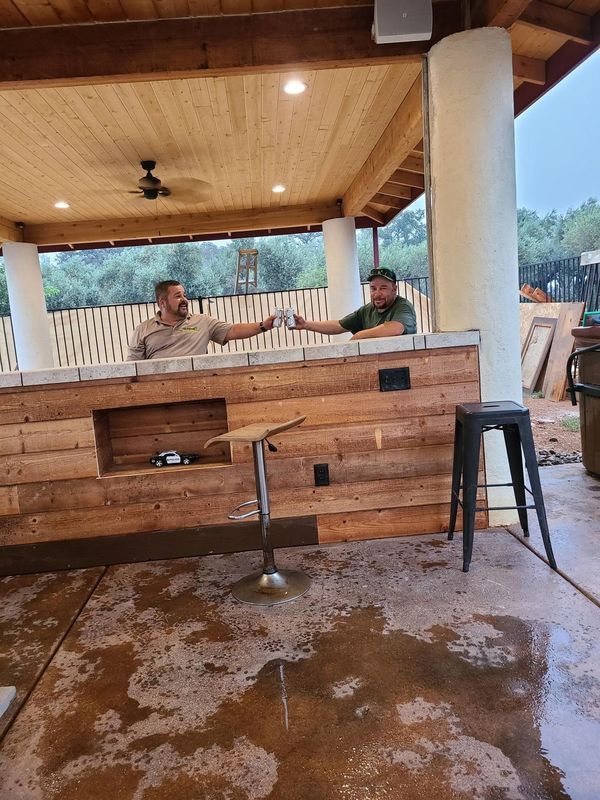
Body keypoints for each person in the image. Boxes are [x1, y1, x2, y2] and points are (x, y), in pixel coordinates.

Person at [127, 280, 276, 360]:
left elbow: (233, 330)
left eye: (184, 295)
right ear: (162, 302)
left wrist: (264, 325)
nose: (185, 300)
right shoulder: (143, 329)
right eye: (178, 296)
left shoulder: (202, 322)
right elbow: (132, 366)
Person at [293, 267, 417, 339]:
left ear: (394, 289)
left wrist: (359, 336)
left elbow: (396, 328)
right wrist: (305, 325)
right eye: (373, 288)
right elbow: (339, 325)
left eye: (383, 288)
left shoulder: (403, 306)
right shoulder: (367, 310)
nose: (377, 294)